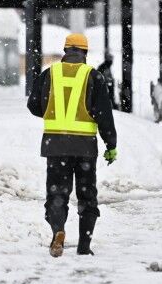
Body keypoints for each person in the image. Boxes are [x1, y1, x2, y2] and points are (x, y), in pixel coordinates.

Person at [27, 33, 117, 257]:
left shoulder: (50, 73)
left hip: (55, 145)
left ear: (65, 51)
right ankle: (84, 247)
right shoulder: (93, 77)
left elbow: (33, 105)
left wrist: (51, 112)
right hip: (85, 147)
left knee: (57, 195)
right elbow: (104, 114)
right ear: (85, 53)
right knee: (87, 197)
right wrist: (111, 143)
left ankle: (58, 230)